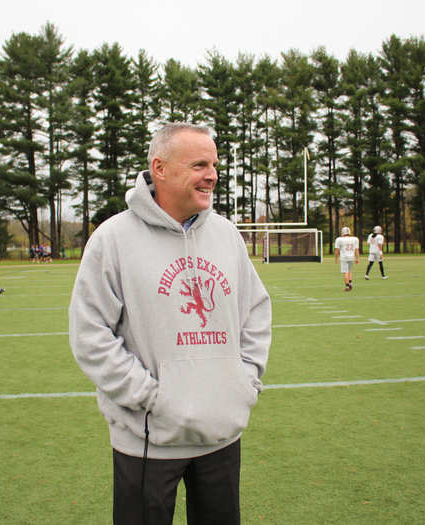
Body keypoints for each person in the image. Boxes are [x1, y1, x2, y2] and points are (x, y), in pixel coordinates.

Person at [69, 122, 272, 525]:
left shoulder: (227, 235)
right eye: (199, 164)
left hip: (221, 433)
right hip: (149, 439)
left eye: (214, 164)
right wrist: (151, 398)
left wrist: (244, 381)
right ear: (159, 168)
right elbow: (90, 332)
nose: (212, 174)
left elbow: (256, 312)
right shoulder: (113, 239)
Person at [334, 226, 360, 291]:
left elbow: (337, 250)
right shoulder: (355, 239)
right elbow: (357, 250)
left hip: (344, 257)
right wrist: (357, 258)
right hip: (351, 257)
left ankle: (347, 286)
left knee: (345, 272)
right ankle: (350, 282)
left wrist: (336, 259)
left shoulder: (339, 239)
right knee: (349, 271)